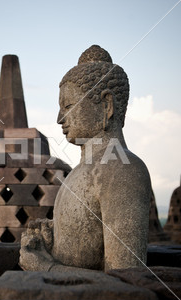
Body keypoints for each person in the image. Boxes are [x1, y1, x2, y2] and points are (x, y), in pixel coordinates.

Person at [20, 45, 151, 271]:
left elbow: (126, 280)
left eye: (68, 106)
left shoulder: (122, 171)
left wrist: (44, 267)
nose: (60, 118)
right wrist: (53, 238)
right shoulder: (80, 172)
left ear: (106, 105)